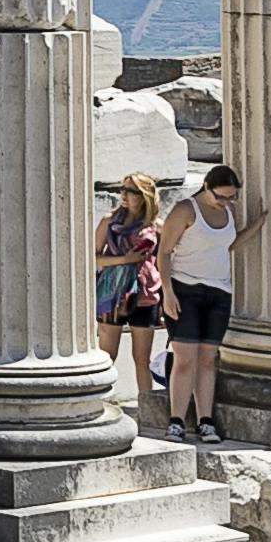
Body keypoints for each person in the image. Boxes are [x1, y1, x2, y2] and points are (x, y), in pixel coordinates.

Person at [165, 162, 248, 434]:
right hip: (185, 289)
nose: (225, 202)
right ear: (206, 187)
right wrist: (167, 292)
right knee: (185, 359)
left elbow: (227, 245)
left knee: (208, 360)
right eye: (220, 196)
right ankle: (176, 421)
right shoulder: (185, 209)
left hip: (219, 292)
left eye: (231, 197)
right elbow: (163, 252)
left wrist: (257, 225)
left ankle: (206, 421)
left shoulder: (229, 211)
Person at [94, 175, 172, 412]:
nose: (124, 195)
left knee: (142, 358)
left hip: (146, 293)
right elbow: (94, 257)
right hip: (112, 293)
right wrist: (124, 259)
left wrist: (167, 298)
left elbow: (165, 262)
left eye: (131, 190)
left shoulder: (156, 226)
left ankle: (147, 408)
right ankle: (98, 405)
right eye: (123, 189)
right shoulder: (109, 221)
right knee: (108, 355)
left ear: (144, 195)